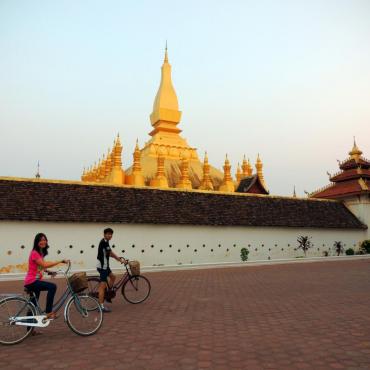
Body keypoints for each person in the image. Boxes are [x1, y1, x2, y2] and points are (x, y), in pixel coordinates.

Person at [24, 233, 68, 321]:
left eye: (44, 240)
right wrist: (60, 261)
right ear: (37, 242)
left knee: (33, 305)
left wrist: (50, 273)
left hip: (33, 282)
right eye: (41, 240)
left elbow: (41, 267)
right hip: (32, 281)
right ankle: (48, 312)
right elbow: (44, 264)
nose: (43, 242)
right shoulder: (34, 253)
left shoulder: (40, 254)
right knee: (52, 287)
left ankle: (30, 330)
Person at [97, 228, 127, 312]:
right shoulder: (104, 242)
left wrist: (118, 258)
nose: (110, 236)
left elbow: (108, 253)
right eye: (108, 234)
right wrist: (119, 259)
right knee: (102, 287)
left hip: (106, 266)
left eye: (111, 234)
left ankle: (107, 295)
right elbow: (110, 253)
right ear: (104, 234)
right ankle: (101, 307)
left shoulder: (106, 242)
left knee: (113, 277)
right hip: (103, 267)